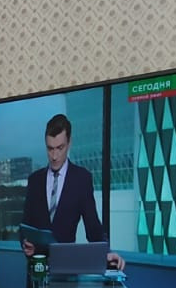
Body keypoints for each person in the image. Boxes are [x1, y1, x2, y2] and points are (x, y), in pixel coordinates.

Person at [21, 114, 125, 271]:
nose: (54, 156)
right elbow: (25, 225)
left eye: (60, 148)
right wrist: (25, 243)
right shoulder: (34, 180)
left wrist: (106, 252)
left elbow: (93, 227)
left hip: (66, 270)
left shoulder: (81, 179)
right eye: (50, 149)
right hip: (37, 270)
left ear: (69, 143)